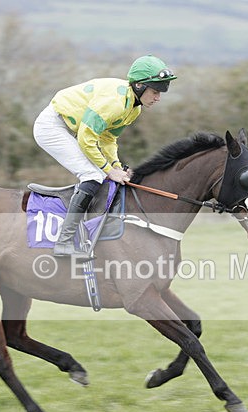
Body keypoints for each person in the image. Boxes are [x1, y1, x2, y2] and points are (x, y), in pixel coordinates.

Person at [33, 55, 177, 259]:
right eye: (155, 92)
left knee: (101, 174)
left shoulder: (133, 109)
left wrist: (116, 166)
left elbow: (108, 139)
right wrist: (108, 170)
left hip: (73, 130)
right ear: (138, 86)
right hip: (52, 127)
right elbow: (86, 139)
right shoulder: (116, 103)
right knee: (92, 175)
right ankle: (64, 242)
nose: (158, 98)